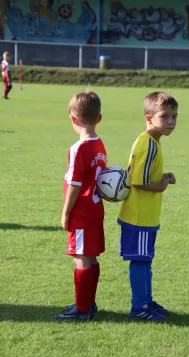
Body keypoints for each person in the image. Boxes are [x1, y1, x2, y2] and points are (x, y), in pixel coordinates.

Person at [118, 92, 178, 321]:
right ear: (149, 118)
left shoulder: (150, 141)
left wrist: (161, 176)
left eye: (174, 116)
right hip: (139, 216)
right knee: (141, 262)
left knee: (145, 261)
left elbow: (143, 174)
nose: (171, 121)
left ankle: (146, 302)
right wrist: (161, 185)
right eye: (165, 116)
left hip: (143, 214)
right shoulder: (148, 144)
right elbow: (139, 182)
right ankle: (139, 308)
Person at [56, 91, 107, 321]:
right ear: (99, 118)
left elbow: (75, 185)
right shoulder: (99, 145)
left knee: (81, 257)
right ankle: (86, 302)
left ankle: (83, 309)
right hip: (95, 210)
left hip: (82, 212)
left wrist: (66, 212)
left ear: (73, 119)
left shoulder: (79, 148)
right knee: (90, 256)